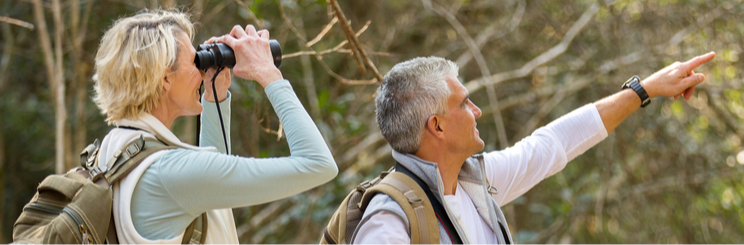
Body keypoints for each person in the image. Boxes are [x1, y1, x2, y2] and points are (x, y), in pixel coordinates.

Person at [352, 53, 715, 244]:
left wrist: (644, 89)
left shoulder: (476, 180)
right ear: (438, 126)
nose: (477, 111)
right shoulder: (389, 220)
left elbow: (554, 143)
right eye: (464, 103)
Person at [92, 10, 338, 244]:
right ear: (165, 78)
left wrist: (215, 96)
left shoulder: (112, 152)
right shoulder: (170, 172)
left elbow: (210, 191)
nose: (201, 71)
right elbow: (318, 164)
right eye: (193, 61)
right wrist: (268, 73)